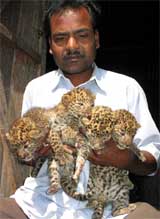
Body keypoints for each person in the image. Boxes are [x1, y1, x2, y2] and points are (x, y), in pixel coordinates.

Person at [0, 0, 160, 218]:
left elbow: (153, 162)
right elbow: (26, 155)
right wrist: (33, 151)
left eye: (82, 35)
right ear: (49, 45)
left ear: (96, 39)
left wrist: (126, 159)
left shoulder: (126, 88)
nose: (72, 46)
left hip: (107, 208)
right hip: (38, 205)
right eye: (60, 38)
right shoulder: (36, 88)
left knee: (149, 215)